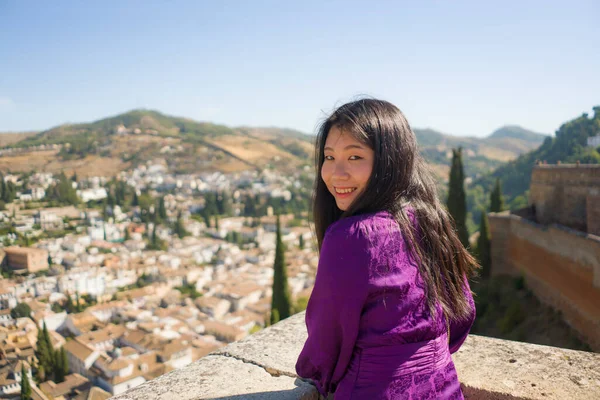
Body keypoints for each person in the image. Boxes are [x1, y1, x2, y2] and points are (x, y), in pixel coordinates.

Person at [295, 99, 478, 399]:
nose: (336, 173)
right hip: (443, 387)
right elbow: (462, 312)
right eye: (329, 157)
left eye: (354, 157)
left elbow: (326, 341)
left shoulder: (350, 236)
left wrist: (316, 376)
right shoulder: (431, 220)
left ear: (389, 160)